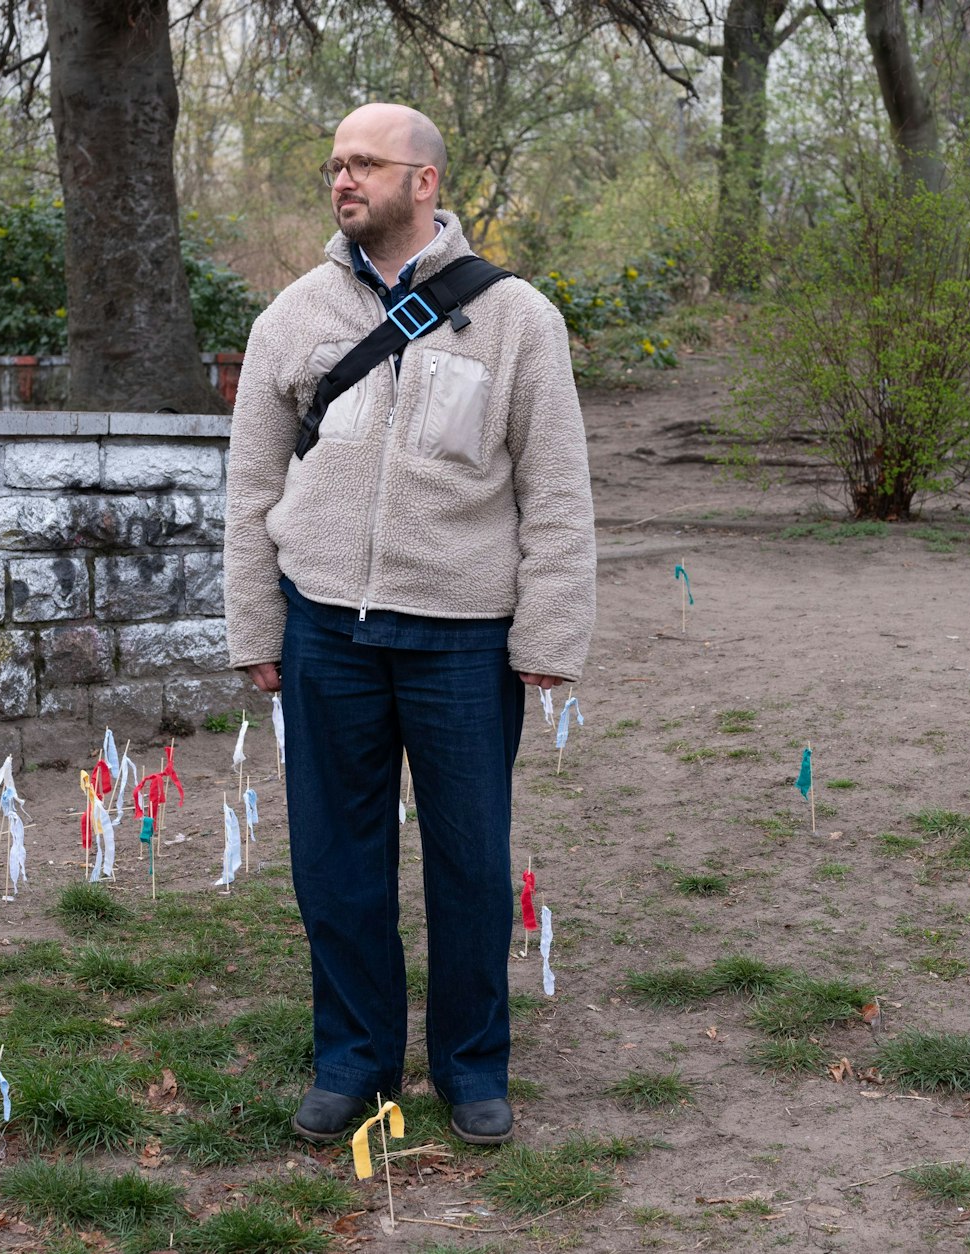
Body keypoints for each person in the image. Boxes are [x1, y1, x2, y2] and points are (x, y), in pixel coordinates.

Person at [222, 102, 595, 1146]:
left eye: (366, 163)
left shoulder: (517, 319)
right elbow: (249, 484)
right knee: (334, 863)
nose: (343, 180)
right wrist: (256, 623)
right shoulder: (292, 315)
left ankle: (472, 1068)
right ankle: (353, 1062)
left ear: (423, 181)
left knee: (470, 864)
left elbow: (557, 491)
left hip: (463, 637)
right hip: (325, 630)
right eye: (335, 164)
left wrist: (549, 636)